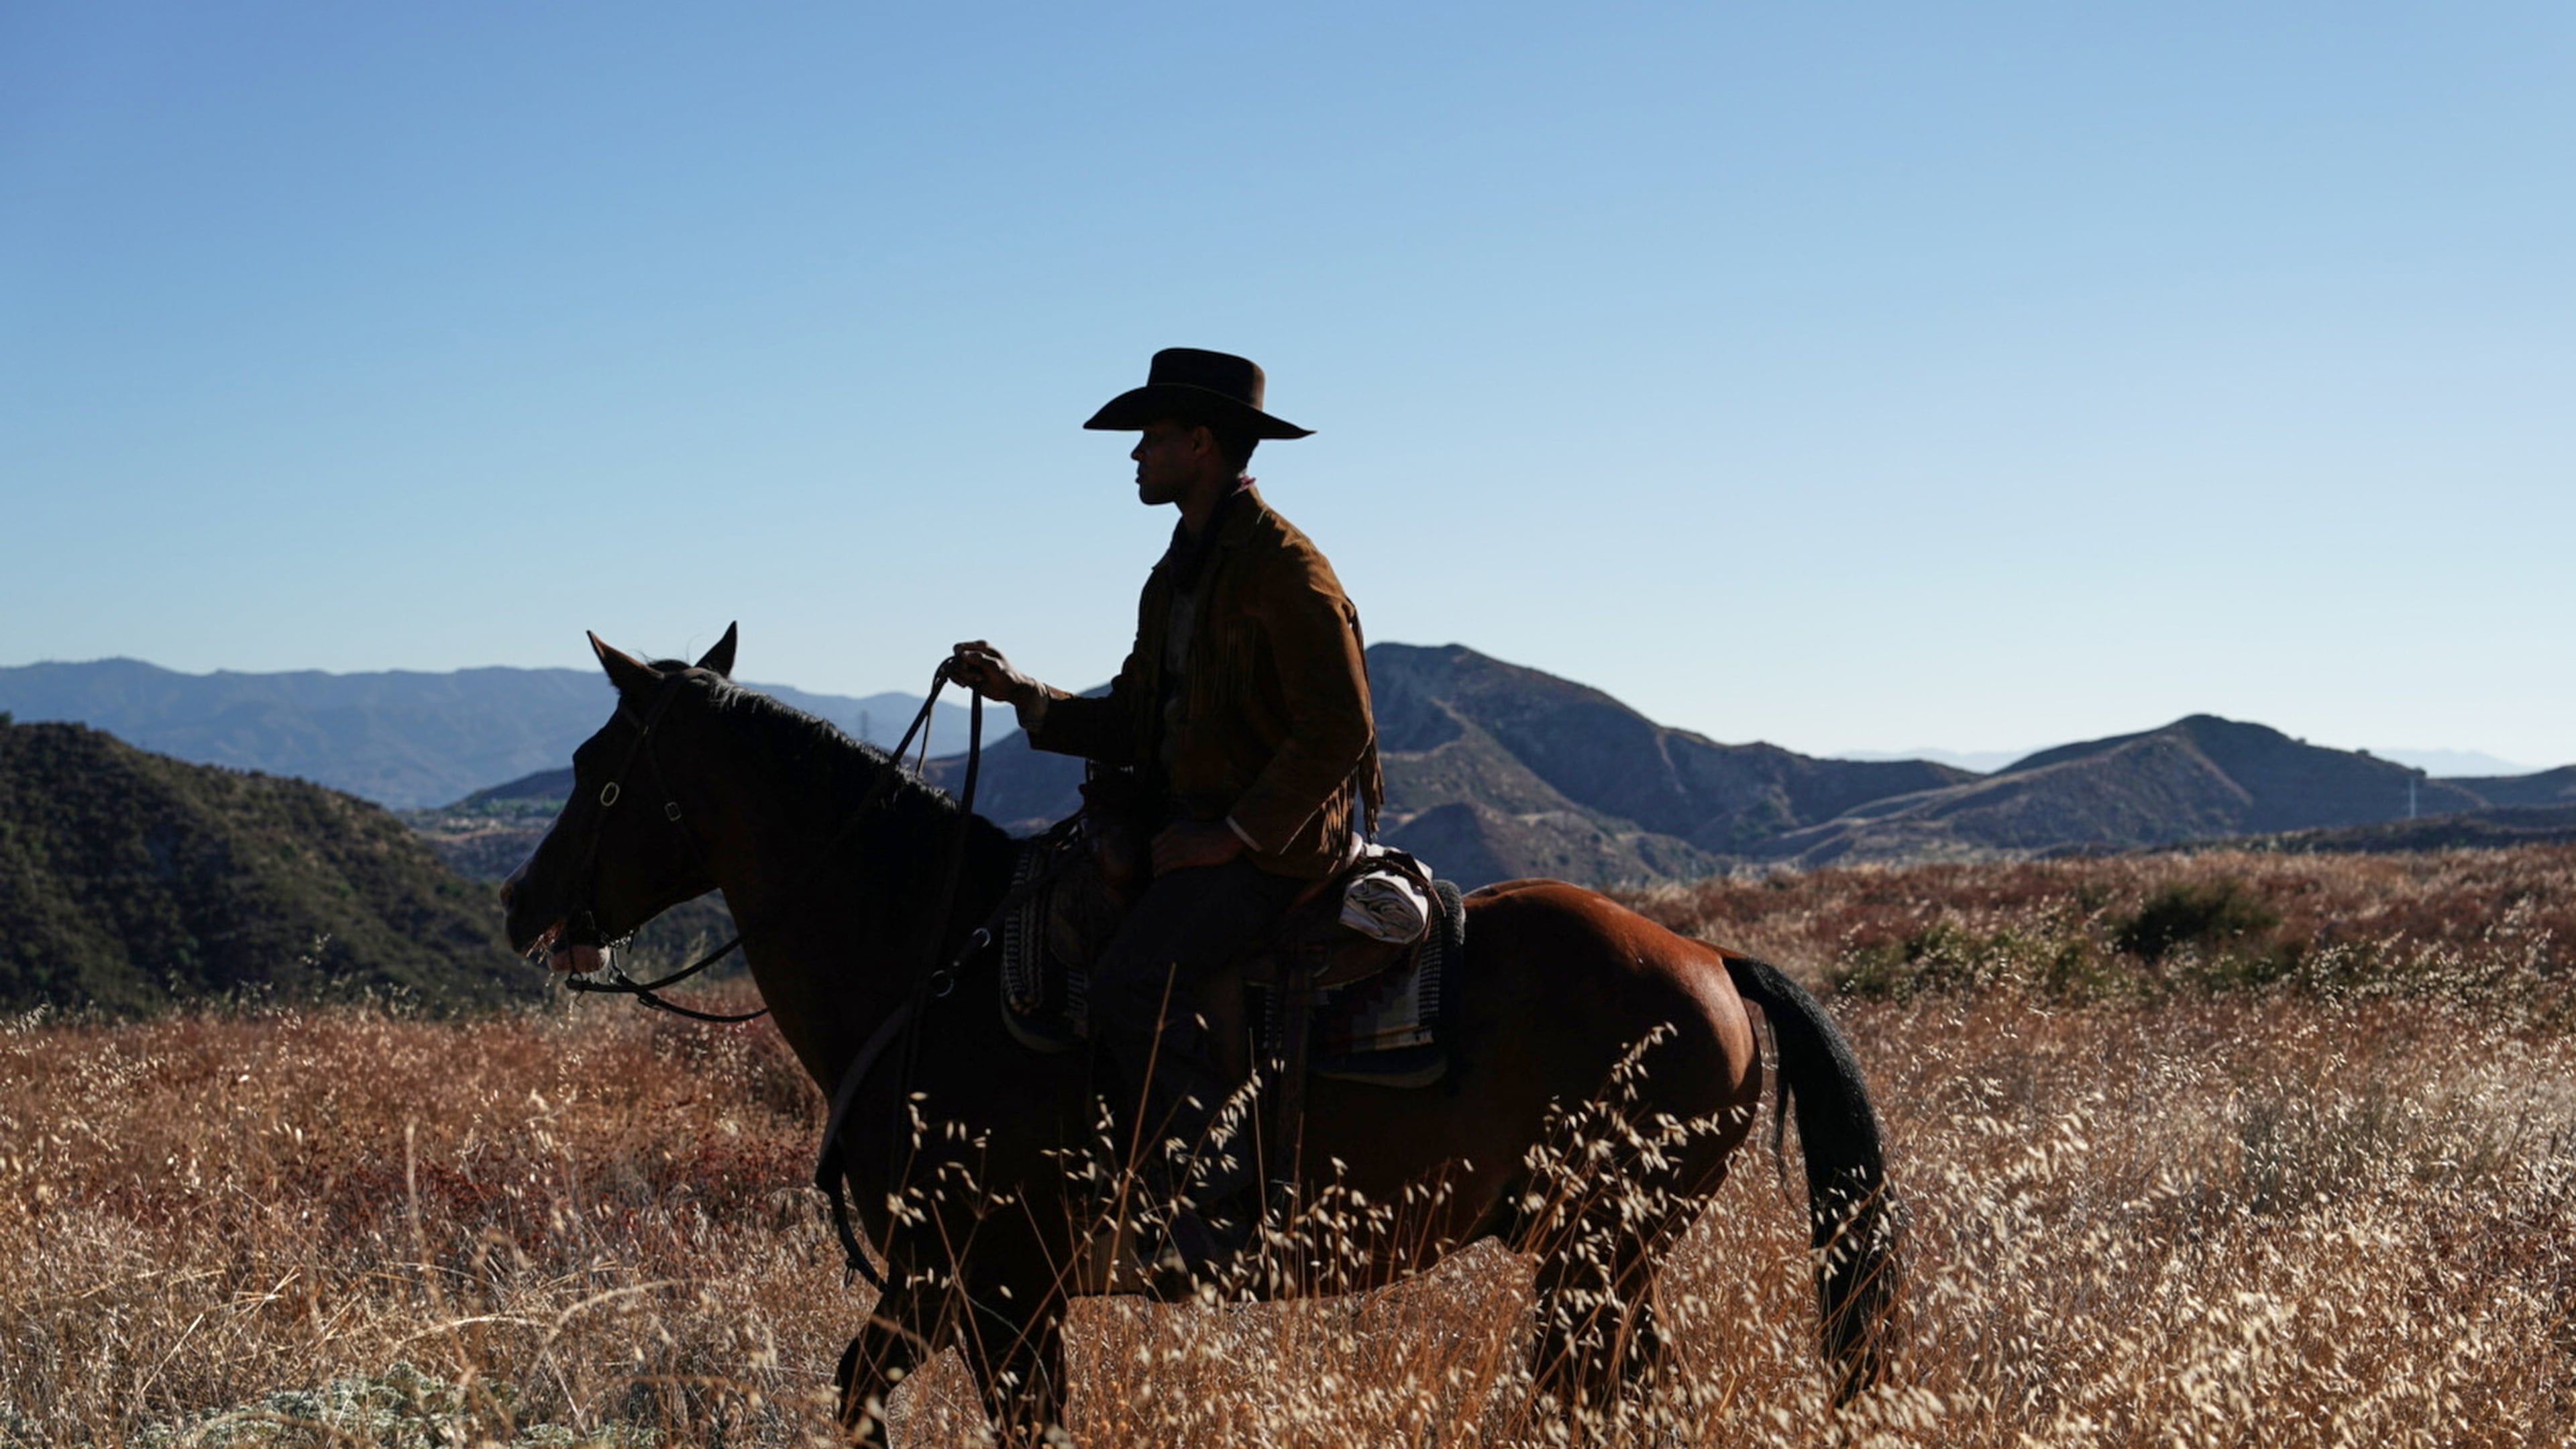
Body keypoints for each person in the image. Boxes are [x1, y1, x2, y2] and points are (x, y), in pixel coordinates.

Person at [949, 347, 1381, 1277]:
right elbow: (1140, 713)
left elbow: (1342, 726)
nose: (1135, 456)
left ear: (1201, 443)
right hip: (1200, 820)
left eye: (1150, 439)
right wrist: (1023, 691)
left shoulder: (1287, 571)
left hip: (1280, 845)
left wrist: (1230, 837)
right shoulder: (1177, 574)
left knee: (1132, 981)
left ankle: (1212, 1201)